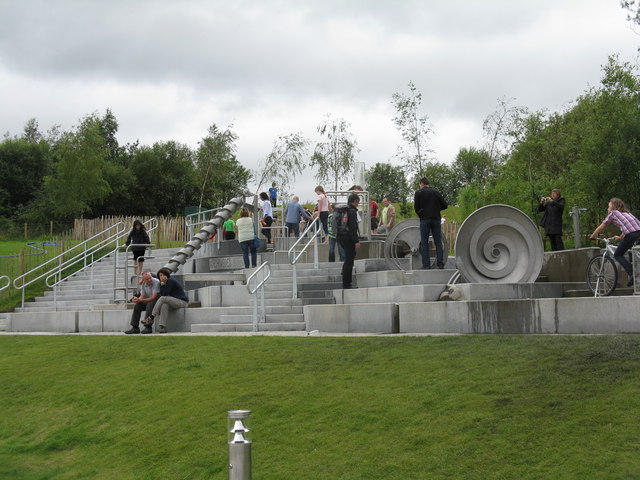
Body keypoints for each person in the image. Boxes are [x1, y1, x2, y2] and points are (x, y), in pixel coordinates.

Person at [589, 198, 640, 287]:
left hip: (632, 235)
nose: (607, 209)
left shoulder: (613, 213)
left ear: (613, 206)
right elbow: (630, 227)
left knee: (618, 255)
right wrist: (620, 237)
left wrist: (592, 236)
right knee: (633, 253)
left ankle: (632, 273)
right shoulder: (627, 213)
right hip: (637, 233)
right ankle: (635, 275)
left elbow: (601, 227)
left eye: (609, 206)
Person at [414, 177, 448, 269]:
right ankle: (440, 263)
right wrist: (436, 209)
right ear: (428, 184)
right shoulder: (436, 192)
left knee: (424, 242)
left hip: (425, 219)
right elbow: (445, 205)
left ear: (421, 184)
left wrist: (422, 213)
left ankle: (426, 265)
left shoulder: (418, 193)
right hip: (436, 219)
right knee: (438, 241)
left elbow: (416, 208)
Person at [143, 268, 189, 334]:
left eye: (162, 275)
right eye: (160, 276)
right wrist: (162, 285)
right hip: (173, 302)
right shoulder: (164, 283)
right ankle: (162, 327)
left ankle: (151, 317)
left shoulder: (170, 280)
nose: (161, 277)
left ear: (166, 275)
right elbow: (162, 293)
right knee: (164, 306)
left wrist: (163, 284)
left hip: (182, 302)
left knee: (162, 298)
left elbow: (165, 294)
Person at [335, 193, 361, 289]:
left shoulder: (343, 211)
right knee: (350, 260)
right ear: (354, 202)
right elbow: (353, 228)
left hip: (340, 237)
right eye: (358, 202)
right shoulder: (352, 211)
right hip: (348, 238)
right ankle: (347, 284)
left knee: (348, 259)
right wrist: (356, 241)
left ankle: (344, 271)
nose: (358, 204)